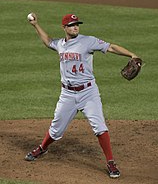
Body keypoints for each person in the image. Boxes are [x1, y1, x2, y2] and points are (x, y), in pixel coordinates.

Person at [25, 13, 139, 178]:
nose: (75, 27)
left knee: (100, 127)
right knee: (56, 129)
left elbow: (111, 47)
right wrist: (35, 25)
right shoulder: (60, 44)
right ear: (64, 28)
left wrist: (132, 55)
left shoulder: (88, 41)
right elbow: (48, 41)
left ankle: (111, 162)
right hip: (67, 94)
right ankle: (42, 148)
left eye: (77, 24)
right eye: (71, 25)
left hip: (88, 93)